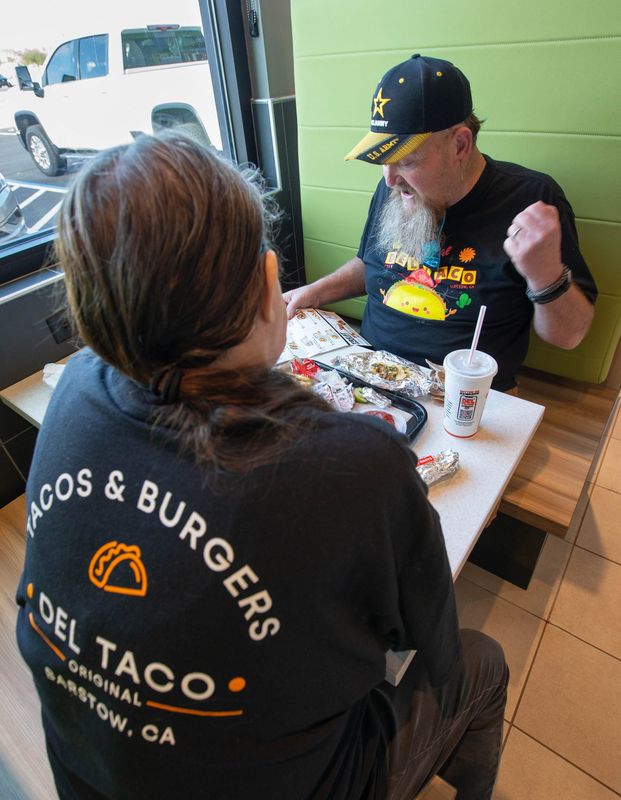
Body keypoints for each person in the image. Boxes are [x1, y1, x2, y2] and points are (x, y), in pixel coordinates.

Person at [16, 130, 507, 800]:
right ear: (269, 280)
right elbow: (424, 633)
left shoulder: (74, 387)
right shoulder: (356, 463)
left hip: (87, 776)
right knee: (479, 662)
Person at [284, 54, 597, 390]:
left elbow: (569, 336)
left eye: (406, 161)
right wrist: (314, 292)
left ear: (460, 145)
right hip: (368, 372)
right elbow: (371, 264)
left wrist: (545, 275)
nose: (389, 179)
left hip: (461, 396)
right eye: (383, 161)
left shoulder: (531, 199)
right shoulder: (396, 187)